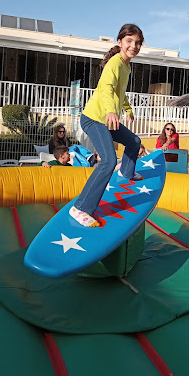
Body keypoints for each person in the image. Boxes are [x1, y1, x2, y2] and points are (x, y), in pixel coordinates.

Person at [69, 24, 144, 228]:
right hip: (95, 118)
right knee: (108, 161)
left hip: (109, 120)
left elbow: (121, 92)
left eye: (137, 43)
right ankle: (81, 208)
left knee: (134, 142)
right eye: (129, 41)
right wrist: (111, 110)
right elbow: (107, 89)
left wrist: (127, 109)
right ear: (120, 42)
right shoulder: (114, 63)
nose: (134, 46)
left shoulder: (127, 66)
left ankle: (127, 172)